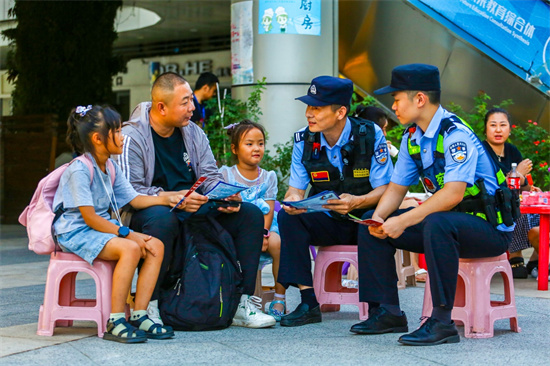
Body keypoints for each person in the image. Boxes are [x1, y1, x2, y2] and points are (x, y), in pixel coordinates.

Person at [352, 64, 516, 346]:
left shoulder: (455, 135)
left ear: (419, 99)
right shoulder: (412, 137)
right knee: (371, 222)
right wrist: (379, 219)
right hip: (449, 227)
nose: (393, 106)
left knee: (438, 222)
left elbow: (452, 194)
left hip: (490, 230)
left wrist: (402, 221)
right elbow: (396, 188)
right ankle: (387, 311)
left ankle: (441, 322)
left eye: (397, 99)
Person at [113, 72, 276, 329]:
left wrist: (224, 193)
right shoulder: (131, 138)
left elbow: (209, 176)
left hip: (193, 204)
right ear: (161, 107)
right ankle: (150, 305)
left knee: (249, 214)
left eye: (191, 100)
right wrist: (170, 199)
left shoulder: (193, 132)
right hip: (149, 210)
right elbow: (129, 194)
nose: (192, 108)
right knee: (163, 220)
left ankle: (242, 304)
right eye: (185, 102)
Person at [53, 105, 178, 343]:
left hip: (101, 228)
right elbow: (89, 217)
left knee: (156, 246)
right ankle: (116, 320)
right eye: (118, 132)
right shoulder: (79, 169)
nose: (123, 137)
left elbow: (135, 199)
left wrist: (170, 197)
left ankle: (140, 314)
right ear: (98, 139)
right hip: (75, 231)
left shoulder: (110, 166)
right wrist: (127, 233)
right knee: (130, 248)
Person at [277, 76, 393, 327]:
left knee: (371, 218)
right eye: (308, 106)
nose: (309, 113)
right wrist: (294, 201)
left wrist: (357, 201)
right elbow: (295, 189)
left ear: (341, 111)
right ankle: (308, 300)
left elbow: (386, 189)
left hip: (363, 218)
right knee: (287, 217)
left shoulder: (370, 134)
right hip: (329, 221)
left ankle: (378, 309)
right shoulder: (303, 140)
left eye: (317, 108)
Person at [219, 120, 286, 320]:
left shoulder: (268, 177)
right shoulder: (227, 174)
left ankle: (279, 297)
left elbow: (269, 208)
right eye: (249, 144)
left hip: (265, 226)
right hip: (237, 228)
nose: (256, 148)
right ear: (235, 149)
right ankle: (244, 298)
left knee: (278, 243)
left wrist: (264, 234)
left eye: (260, 143)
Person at [481, 107, 536, 278]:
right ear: (485, 129)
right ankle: (515, 255)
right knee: (513, 206)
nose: (498, 130)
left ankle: (537, 257)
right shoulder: (481, 152)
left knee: (539, 215)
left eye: (503, 125)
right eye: (493, 125)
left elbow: (523, 185)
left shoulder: (512, 151)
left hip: (514, 201)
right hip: (489, 204)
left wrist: (528, 185)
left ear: (509, 129)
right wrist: (518, 175)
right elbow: (493, 185)